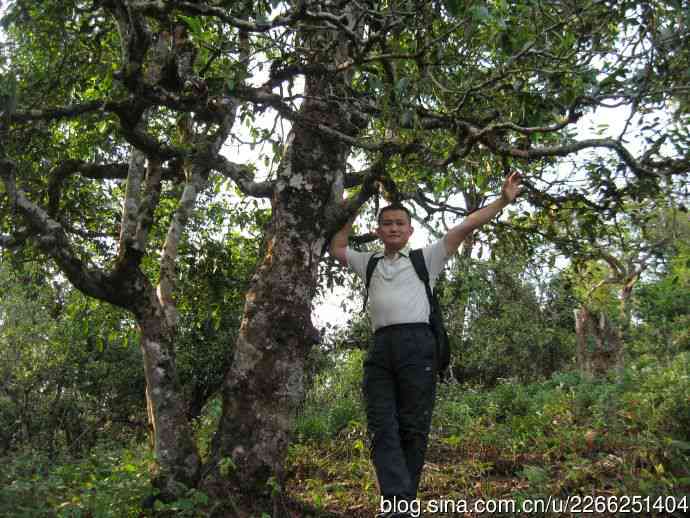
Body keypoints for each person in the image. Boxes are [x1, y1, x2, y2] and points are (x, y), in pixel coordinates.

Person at [329, 172, 522, 518]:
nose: (392, 228)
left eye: (399, 223)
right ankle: (397, 501)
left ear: (409, 230)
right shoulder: (368, 262)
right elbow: (338, 247)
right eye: (386, 224)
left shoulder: (425, 259)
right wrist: (353, 206)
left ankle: (401, 506)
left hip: (418, 346)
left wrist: (503, 201)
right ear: (377, 230)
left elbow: (464, 227)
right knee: (380, 424)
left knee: (413, 426)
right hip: (380, 348)